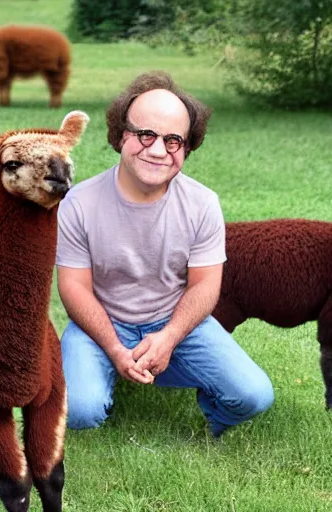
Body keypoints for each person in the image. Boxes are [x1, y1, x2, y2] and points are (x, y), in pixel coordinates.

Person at [56, 71, 273, 438]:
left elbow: (205, 285)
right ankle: (112, 371)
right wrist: (113, 347)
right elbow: (73, 286)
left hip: (175, 323)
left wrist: (170, 337)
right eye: (146, 135)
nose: (158, 150)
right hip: (101, 326)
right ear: (122, 135)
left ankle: (183, 387)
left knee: (254, 396)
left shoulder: (203, 204)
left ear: (187, 147)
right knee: (80, 411)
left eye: (173, 140)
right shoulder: (79, 203)